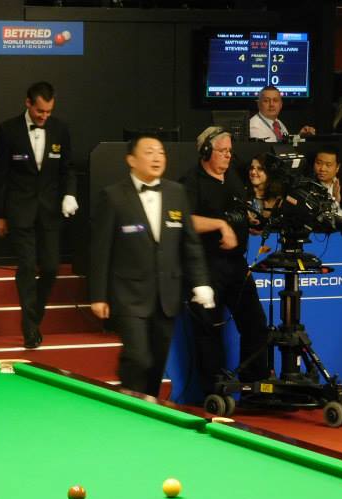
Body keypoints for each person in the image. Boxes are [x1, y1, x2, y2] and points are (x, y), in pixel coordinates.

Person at [89, 134, 212, 399]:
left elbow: (190, 244)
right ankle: (128, 401)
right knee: (138, 356)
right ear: (131, 160)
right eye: (149, 152)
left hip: (167, 294)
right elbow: (100, 250)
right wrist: (98, 295)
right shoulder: (113, 196)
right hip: (128, 294)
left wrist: (201, 283)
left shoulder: (176, 193)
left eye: (161, 152)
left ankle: (148, 407)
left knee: (156, 361)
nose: (157, 158)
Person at [180, 127, 269, 395]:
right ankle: (214, 393)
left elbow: (237, 210)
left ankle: (255, 389)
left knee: (256, 325)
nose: (229, 156)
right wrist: (220, 225)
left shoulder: (233, 176)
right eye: (222, 151)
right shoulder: (191, 181)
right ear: (206, 151)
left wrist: (248, 223)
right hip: (206, 267)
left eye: (230, 150)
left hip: (237, 265)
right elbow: (185, 220)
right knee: (209, 331)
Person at [0, 80, 78, 348]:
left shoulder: (60, 129)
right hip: (20, 209)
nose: (44, 116)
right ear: (28, 103)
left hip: (50, 210)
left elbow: (68, 168)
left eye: (49, 111)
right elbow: (0, 175)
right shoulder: (8, 130)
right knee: (27, 266)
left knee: (51, 267)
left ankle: (34, 315)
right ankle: (30, 329)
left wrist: (70, 194)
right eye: (40, 111)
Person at [248, 85, 315, 142]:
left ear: (281, 104)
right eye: (266, 101)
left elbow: (285, 143)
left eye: (275, 100)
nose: (271, 104)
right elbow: (273, 148)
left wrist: (300, 136)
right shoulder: (254, 127)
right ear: (258, 104)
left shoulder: (277, 123)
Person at [312, 145, 342, 218]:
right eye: (318, 163)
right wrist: (335, 201)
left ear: (337, 167)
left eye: (328, 165)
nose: (322, 169)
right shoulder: (309, 185)